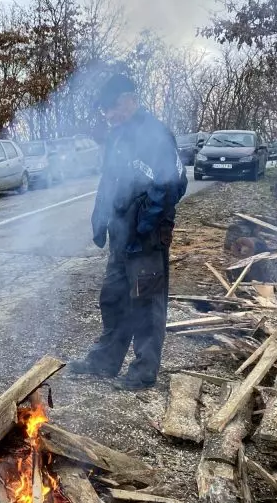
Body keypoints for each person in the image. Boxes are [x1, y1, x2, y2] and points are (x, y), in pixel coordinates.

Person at [69, 73, 188, 390]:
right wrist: (100, 218)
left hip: (147, 238)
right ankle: (105, 360)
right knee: (113, 298)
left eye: (112, 107)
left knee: (146, 302)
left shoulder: (156, 135)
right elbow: (109, 182)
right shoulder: (117, 138)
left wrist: (146, 222)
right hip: (120, 237)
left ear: (130, 100)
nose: (108, 114)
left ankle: (143, 371)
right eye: (104, 109)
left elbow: (174, 183)